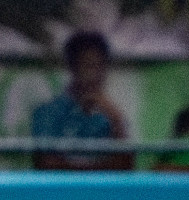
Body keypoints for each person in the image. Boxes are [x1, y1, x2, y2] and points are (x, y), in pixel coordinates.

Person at [31, 31, 132, 171]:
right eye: (88, 66)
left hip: (102, 186)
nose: (96, 74)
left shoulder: (110, 115)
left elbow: (126, 167)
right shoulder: (48, 113)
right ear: (73, 68)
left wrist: (115, 118)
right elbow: (47, 165)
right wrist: (103, 169)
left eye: (100, 66)